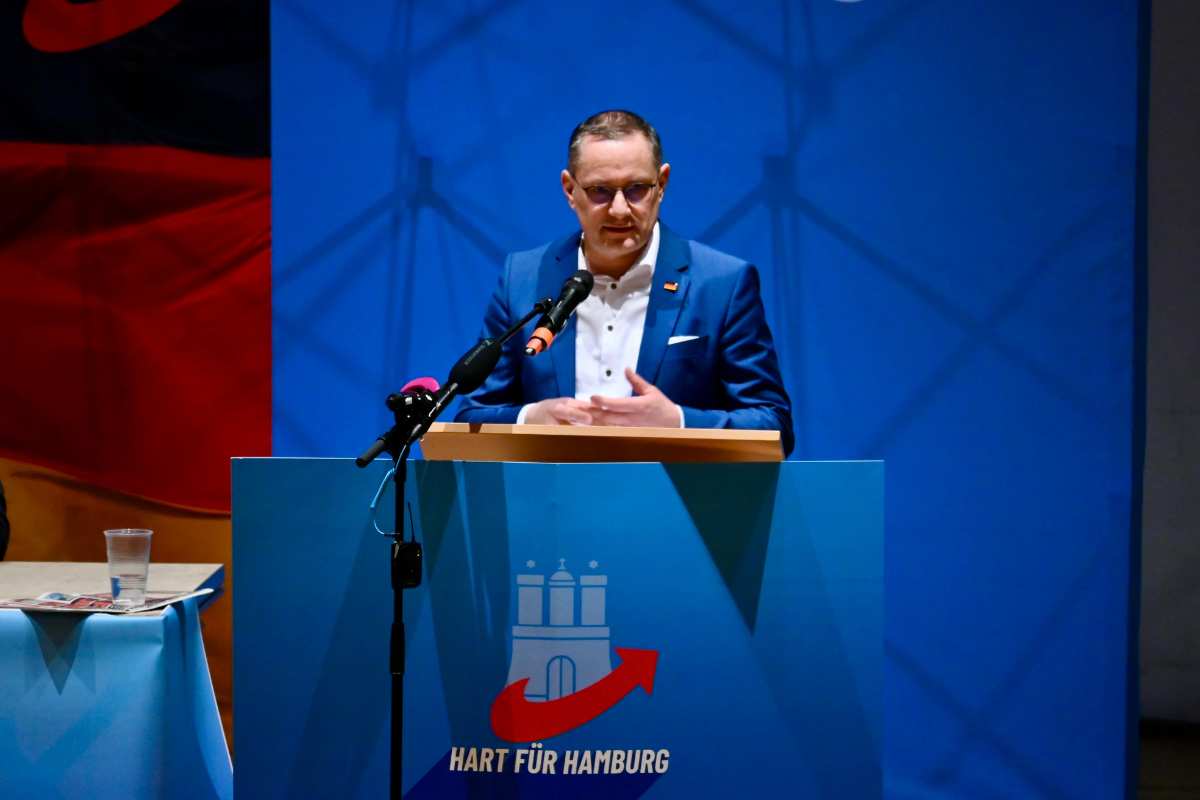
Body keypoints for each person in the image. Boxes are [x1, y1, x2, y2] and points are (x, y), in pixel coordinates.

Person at [455, 110, 794, 455]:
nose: (619, 210)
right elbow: (470, 414)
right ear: (570, 190)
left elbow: (774, 426)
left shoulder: (722, 284)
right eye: (600, 191)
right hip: (551, 501)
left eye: (636, 189)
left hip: (672, 503)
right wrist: (530, 418)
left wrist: (676, 422)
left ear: (661, 185)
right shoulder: (522, 279)